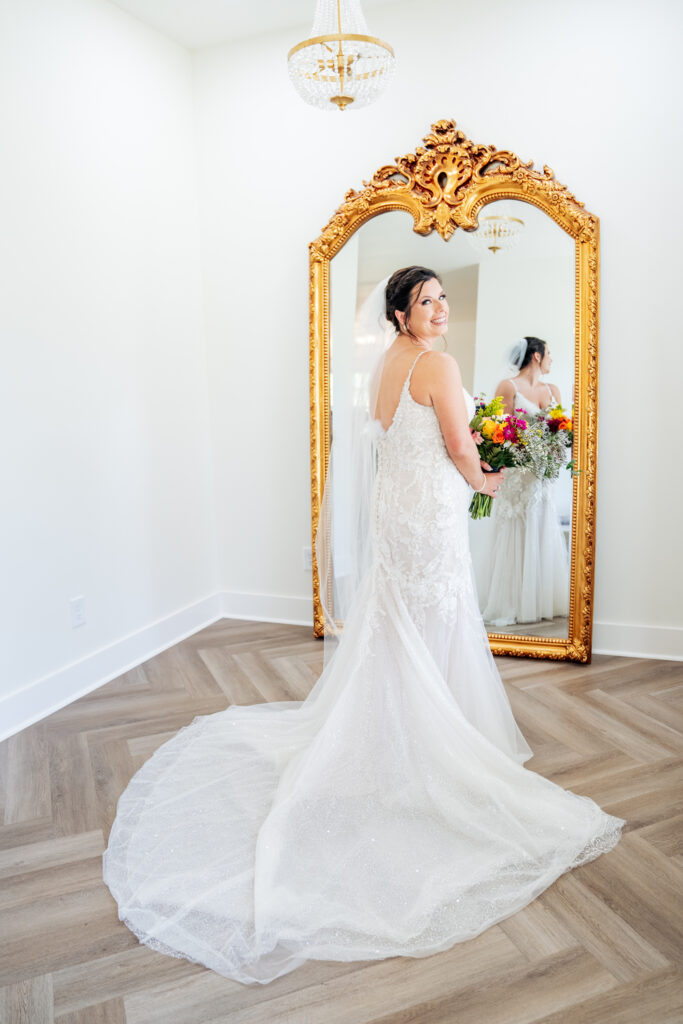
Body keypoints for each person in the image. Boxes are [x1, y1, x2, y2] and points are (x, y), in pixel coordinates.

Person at [103, 269, 624, 986]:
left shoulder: (388, 362)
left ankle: (396, 733)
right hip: (431, 509)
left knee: (400, 619)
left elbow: (394, 437)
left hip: (397, 510)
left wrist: (471, 464)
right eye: (425, 302)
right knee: (435, 617)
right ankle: (432, 749)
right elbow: (455, 444)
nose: (439, 310)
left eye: (442, 299)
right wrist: (486, 480)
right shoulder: (438, 363)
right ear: (401, 312)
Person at [477, 337, 570, 627]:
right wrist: (523, 447)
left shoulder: (553, 389)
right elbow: (499, 429)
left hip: (545, 473)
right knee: (517, 527)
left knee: (543, 524)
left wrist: (556, 445)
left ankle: (543, 598)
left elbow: (561, 426)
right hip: (518, 472)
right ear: (536, 357)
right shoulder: (509, 387)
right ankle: (512, 600)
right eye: (549, 354)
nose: (552, 360)